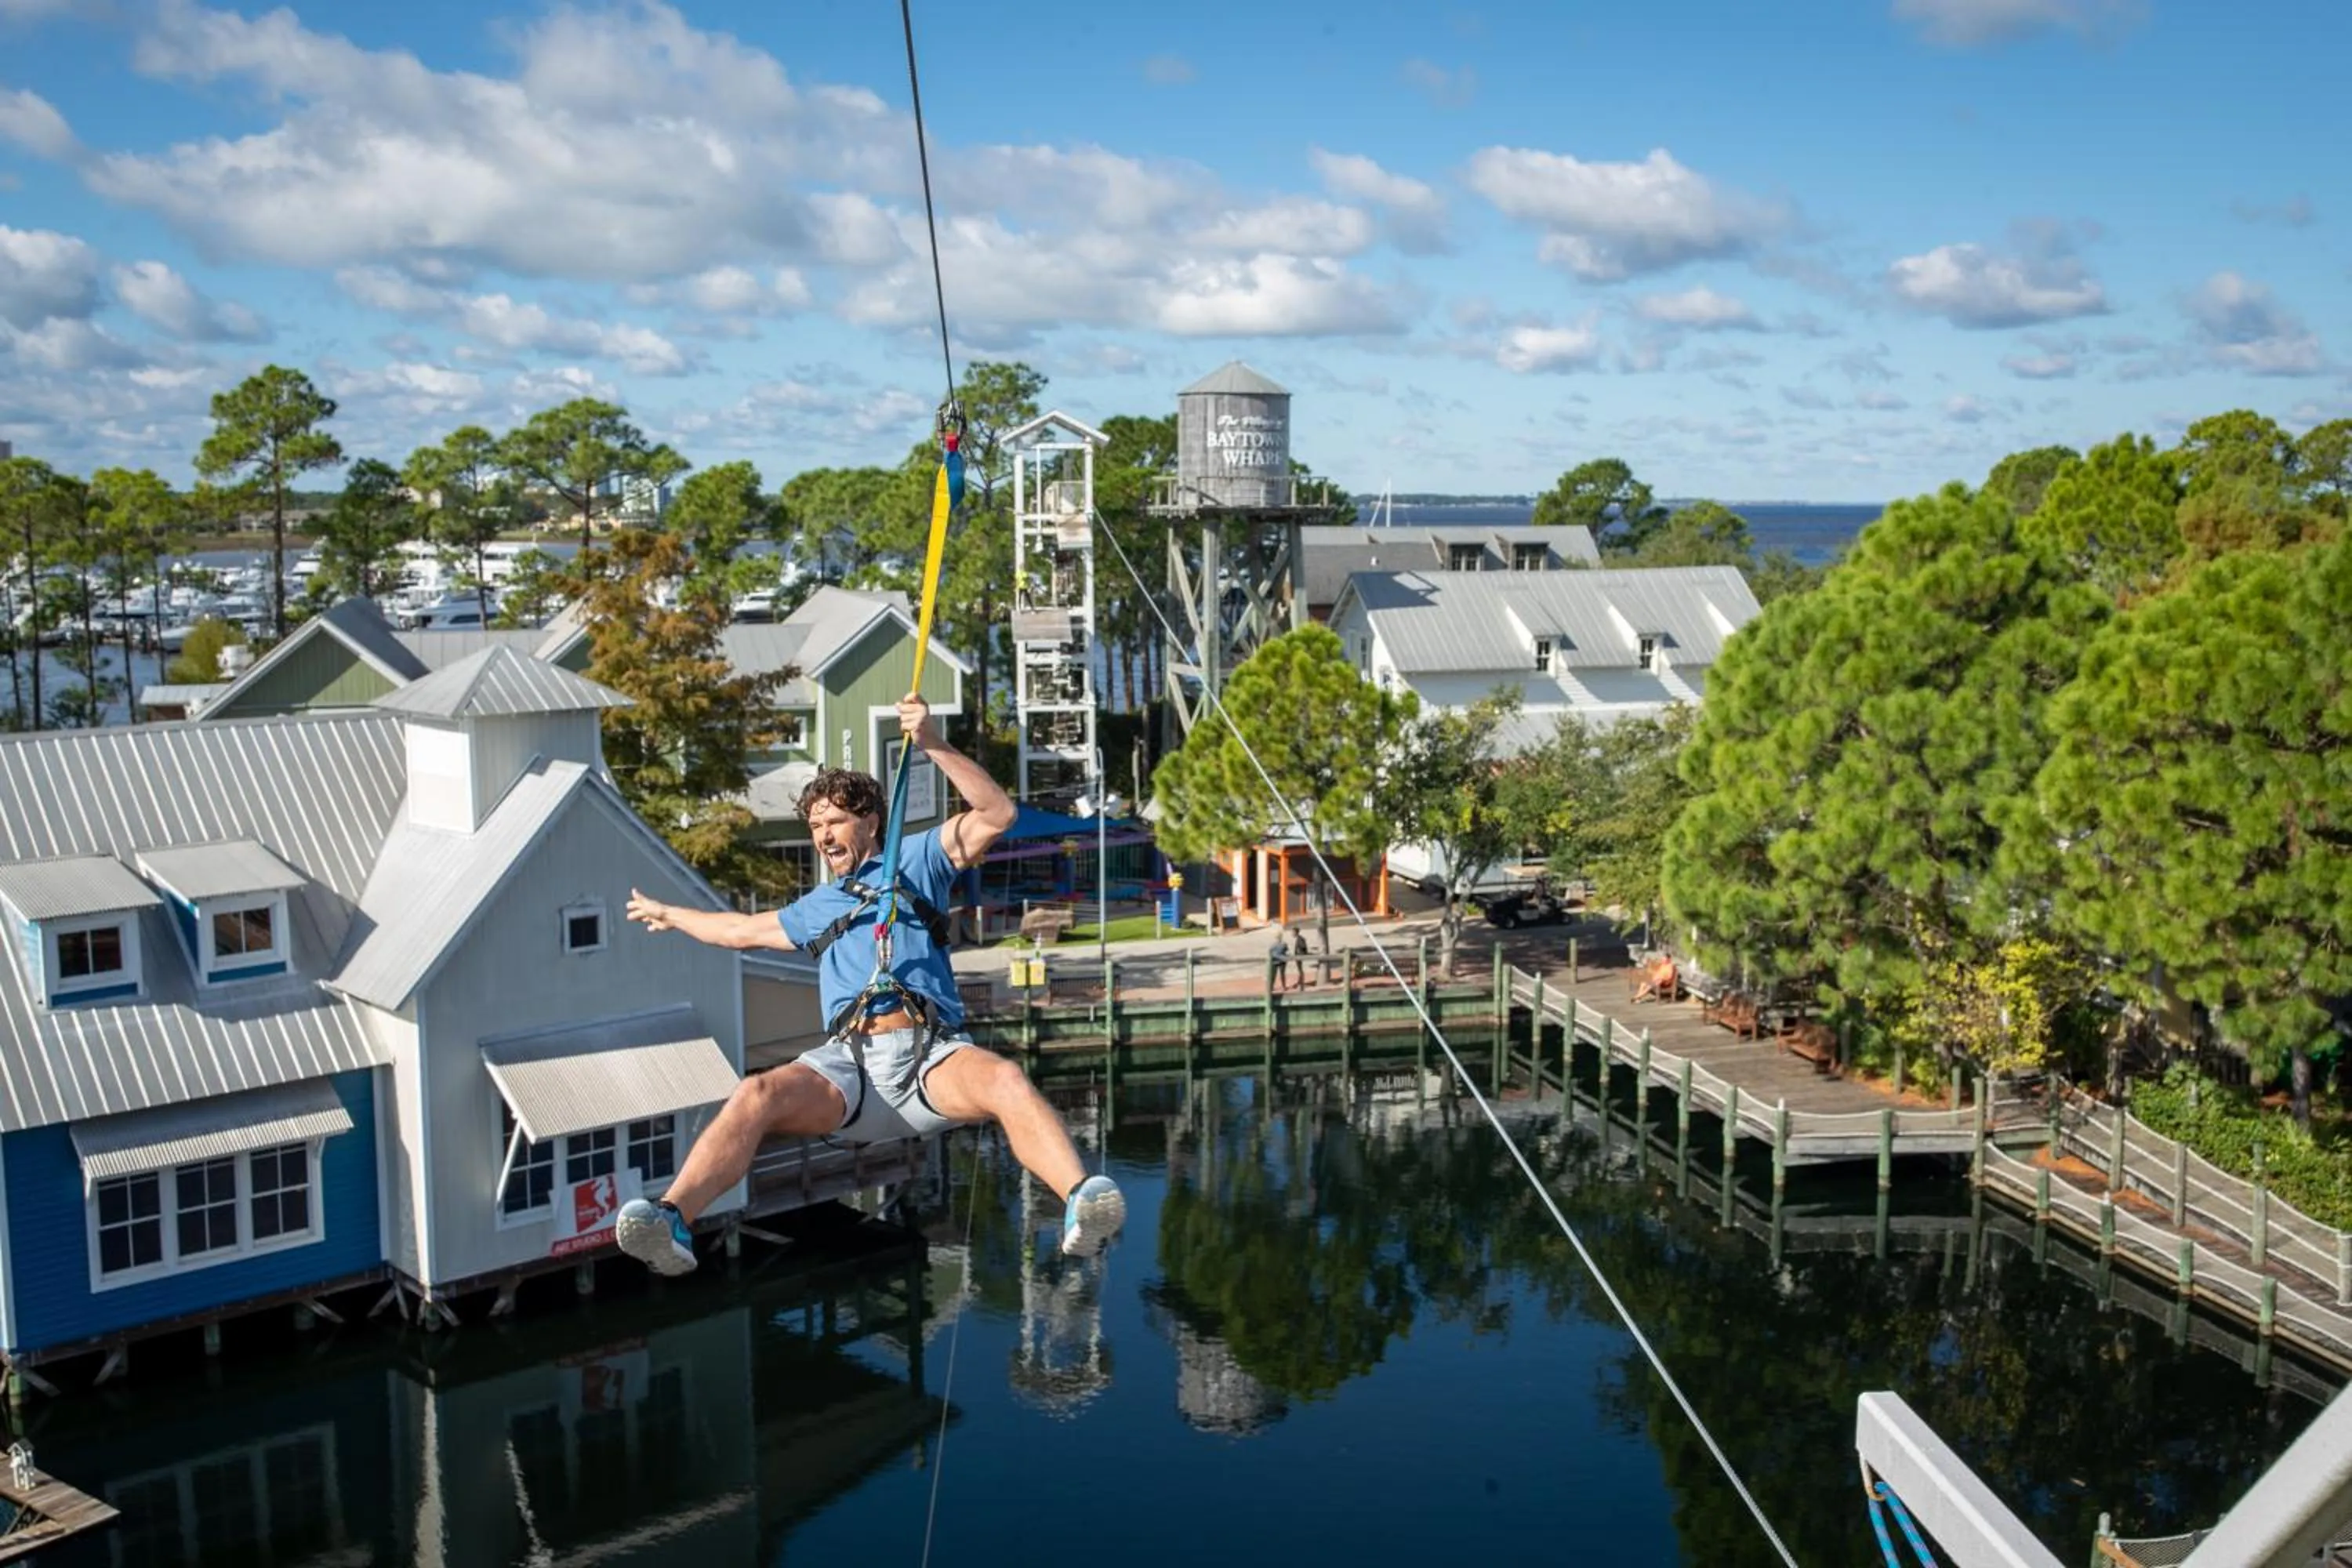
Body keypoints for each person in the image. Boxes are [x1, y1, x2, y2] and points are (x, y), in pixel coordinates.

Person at [613, 692, 1125, 1276]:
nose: (823, 835)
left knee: (1006, 1078)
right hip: (849, 1072)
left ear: (871, 820)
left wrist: (931, 742)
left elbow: (997, 814)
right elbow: (736, 931)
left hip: (929, 1059)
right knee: (754, 1095)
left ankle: (1082, 1200)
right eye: (814, 825)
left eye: (834, 821)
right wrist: (672, 915)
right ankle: (670, 1220)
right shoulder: (817, 906)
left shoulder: (918, 859)